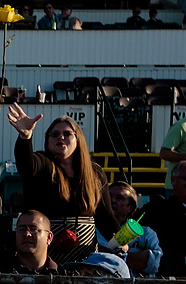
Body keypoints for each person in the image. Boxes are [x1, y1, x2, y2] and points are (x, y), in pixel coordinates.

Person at [7, 104, 119, 263]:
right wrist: (25, 137)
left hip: (84, 252)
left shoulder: (94, 173)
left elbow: (105, 216)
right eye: (55, 134)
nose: (61, 137)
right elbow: (26, 166)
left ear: (78, 139)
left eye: (67, 134)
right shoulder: (43, 164)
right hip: (48, 251)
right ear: (48, 140)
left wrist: (120, 241)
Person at [106, 181, 163, 276]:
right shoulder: (94, 230)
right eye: (109, 197)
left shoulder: (146, 233)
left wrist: (113, 254)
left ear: (130, 208)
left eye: (119, 198)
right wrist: (136, 256)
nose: (112, 200)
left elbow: (154, 264)